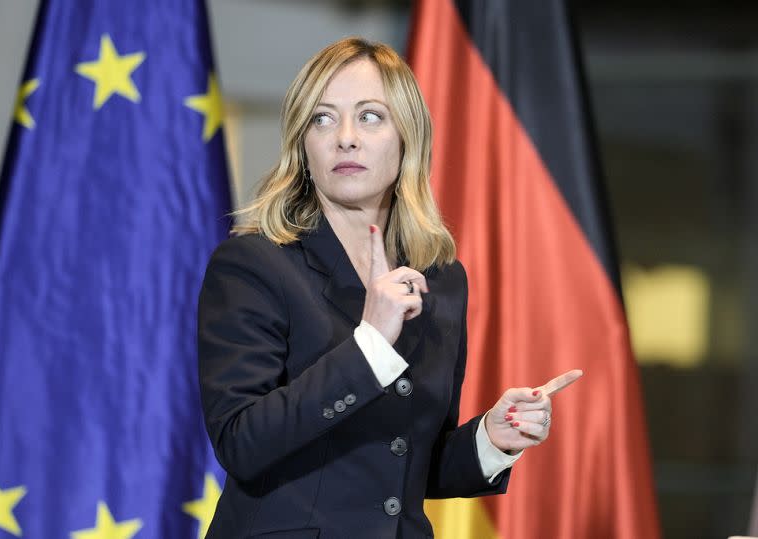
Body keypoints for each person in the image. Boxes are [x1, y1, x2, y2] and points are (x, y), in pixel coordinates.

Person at [198, 37, 582, 539]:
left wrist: (491, 438)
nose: (346, 138)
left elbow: (403, 464)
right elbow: (241, 443)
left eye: (371, 116)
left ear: (408, 137)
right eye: (323, 118)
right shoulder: (253, 264)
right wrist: (370, 346)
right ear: (302, 145)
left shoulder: (442, 280)